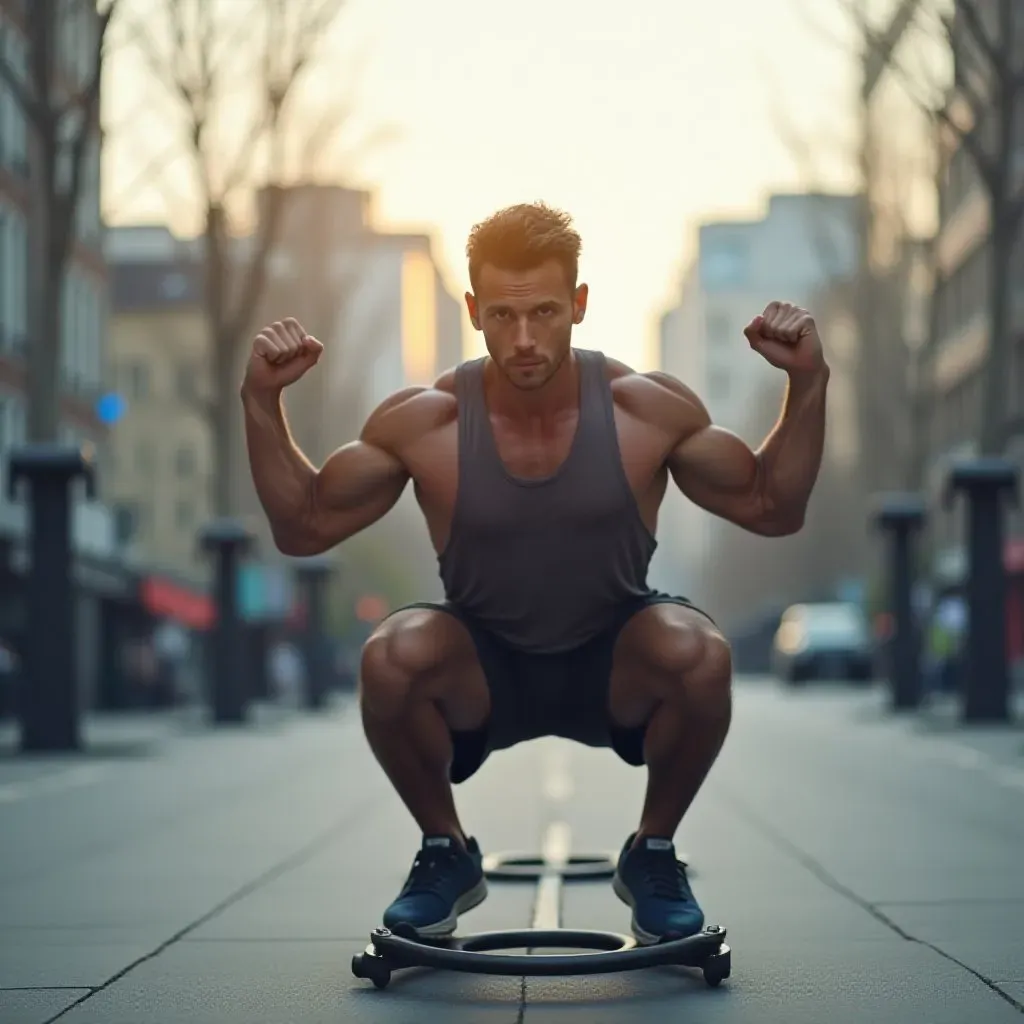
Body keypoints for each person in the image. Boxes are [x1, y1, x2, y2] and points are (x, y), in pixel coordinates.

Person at [241, 203, 829, 945]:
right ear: (473, 311)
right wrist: (261, 400)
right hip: (482, 670)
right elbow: (305, 525)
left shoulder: (644, 410)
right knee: (389, 655)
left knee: (700, 653)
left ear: (579, 304)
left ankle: (651, 853)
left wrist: (806, 385)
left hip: (615, 659)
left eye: (545, 312)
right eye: (503, 315)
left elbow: (772, 507)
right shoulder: (427, 422)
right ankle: (444, 852)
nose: (523, 338)